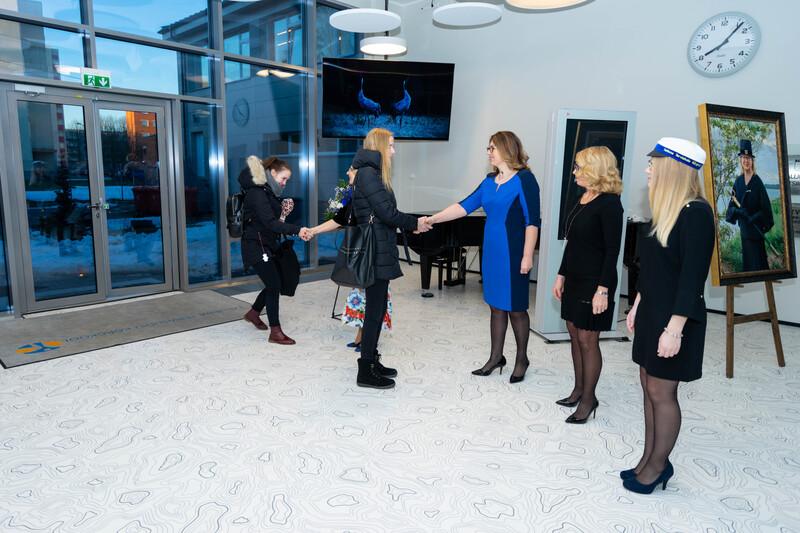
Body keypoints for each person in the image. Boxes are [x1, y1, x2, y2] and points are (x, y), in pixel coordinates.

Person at [623, 137, 715, 494]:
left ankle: (658, 467)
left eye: (653, 164)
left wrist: (674, 329)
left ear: (673, 168)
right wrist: (637, 303)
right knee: (648, 385)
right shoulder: (667, 209)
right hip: (653, 311)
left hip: (677, 318)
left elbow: (692, 278)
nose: (647, 170)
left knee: (662, 392)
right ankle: (648, 459)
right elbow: (652, 269)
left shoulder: (696, 213)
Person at [424, 131, 540, 383]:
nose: (488, 153)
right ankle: (496, 357)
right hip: (492, 253)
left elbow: (532, 222)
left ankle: (522, 359)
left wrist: (527, 256)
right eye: (488, 148)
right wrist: (432, 219)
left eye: (492, 148)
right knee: (496, 306)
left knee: (516, 309)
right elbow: (463, 206)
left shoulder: (525, 179)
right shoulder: (489, 181)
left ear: (507, 149)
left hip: (513, 253)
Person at [348, 127, 431, 389]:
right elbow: (387, 213)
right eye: (392, 146)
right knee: (374, 311)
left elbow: (386, 212)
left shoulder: (370, 173)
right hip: (375, 250)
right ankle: (365, 370)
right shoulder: (368, 174)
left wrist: (411, 223)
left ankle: (372, 359)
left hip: (379, 248)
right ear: (381, 146)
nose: (394, 151)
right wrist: (415, 223)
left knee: (379, 308)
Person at [552, 146, 623, 424]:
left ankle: (589, 399)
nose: (574, 172)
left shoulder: (610, 204)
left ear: (595, 169)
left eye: (579, 167)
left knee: (587, 339)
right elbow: (572, 243)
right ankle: (578, 389)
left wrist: (602, 290)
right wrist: (561, 275)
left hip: (596, 281)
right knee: (573, 332)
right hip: (574, 277)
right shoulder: (583, 196)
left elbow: (612, 251)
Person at [309, 168, 392, 352]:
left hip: (373, 256)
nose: (347, 172)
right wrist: (314, 231)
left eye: (352, 170)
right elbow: (339, 219)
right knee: (362, 297)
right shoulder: (354, 197)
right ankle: (362, 337)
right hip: (360, 255)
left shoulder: (373, 196)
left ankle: (368, 342)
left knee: (374, 302)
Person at [239, 155, 311, 345]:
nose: (285, 183)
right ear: (272, 172)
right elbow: (270, 223)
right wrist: (298, 230)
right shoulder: (257, 193)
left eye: (287, 180)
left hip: (266, 244)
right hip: (255, 246)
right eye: (283, 178)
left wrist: (284, 213)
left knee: (275, 282)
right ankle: (275, 332)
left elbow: (272, 222)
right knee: (273, 285)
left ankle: (253, 313)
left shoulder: (267, 191)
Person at [725, 139, 774, 272]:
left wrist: (756, 216)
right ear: (740, 160)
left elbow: (767, 210)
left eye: (748, 158)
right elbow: (730, 209)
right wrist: (739, 212)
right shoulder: (738, 182)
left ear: (752, 161)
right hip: (745, 234)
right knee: (749, 269)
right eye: (743, 158)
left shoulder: (757, 182)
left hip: (757, 233)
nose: (746, 161)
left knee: (760, 267)